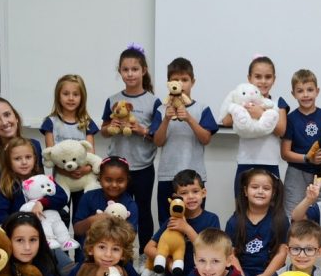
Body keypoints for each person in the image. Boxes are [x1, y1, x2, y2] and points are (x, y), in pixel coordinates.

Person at [101, 44, 161, 257]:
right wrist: (111, 126)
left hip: (143, 167)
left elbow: (158, 136)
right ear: (120, 72)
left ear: (143, 70)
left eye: (134, 69)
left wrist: (141, 130)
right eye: (125, 69)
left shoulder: (153, 101)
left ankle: (145, 255)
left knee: (143, 211)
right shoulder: (112, 100)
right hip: (117, 168)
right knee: (116, 211)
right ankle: (118, 253)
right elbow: (103, 131)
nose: (130, 74)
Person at [144, 169, 220, 276]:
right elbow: (148, 248)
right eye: (184, 193)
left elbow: (209, 250)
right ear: (176, 198)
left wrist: (186, 228)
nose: (190, 197)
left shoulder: (211, 219)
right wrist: (168, 262)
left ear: (203, 193)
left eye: (195, 191)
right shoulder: (173, 220)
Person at [153, 57, 218, 226]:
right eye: (176, 80)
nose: (180, 84)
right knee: (167, 221)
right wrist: (166, 119)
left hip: (194, 177)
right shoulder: (161, 109)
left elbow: (206, 139)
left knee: (195, 219)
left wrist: (189, 118)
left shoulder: (202, 108)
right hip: (168, 175)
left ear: (192, 82)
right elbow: (158, 141)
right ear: (169, 83)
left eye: (184, 80)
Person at [221, 55, 289, 194]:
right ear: (249, 78)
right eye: (258, 77)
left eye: (268, 77)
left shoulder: (278, 102)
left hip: (270, 163)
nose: (263, 81)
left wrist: (261, 114)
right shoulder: (242, 100)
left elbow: (281, 130)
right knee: (242, 203)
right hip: (245, 162)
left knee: (271, 204)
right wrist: (240, 106)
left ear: (274, 79)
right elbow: (226, 122)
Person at [40, 74, 99, 223]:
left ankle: (80, 240)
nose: (71, 98)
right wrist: (65, 171)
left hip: (83, 180)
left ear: (82, 97)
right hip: (61, 180)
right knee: (61, 217)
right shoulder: (51, 122)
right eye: (66, 94)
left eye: (76, 94)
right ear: (58, 96)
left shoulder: (87, 123)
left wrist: (85, 170)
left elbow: (91, 153)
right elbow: (51, 155)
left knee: (81, 217)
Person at [225, 168, 289, 276]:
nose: (260, 191)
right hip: (241, 272)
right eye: (254, 187)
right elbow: (231, 254)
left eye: (266, 188)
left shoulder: (280, 220)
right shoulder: (234, 221)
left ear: (273, 193)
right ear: (245, 191)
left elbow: (282, 253)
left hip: (270, 272)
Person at [280, 69, 321, 217]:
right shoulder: (290, 119)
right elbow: (285, 153)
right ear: (293, 94)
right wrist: (308, 158)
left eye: (310, 90)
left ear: (317, 91)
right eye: (300, 91)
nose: (305, 95)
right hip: (297, 174)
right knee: (293, 214)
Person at [73, 156, 139, 251]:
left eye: (120, 181)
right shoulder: (88, 197)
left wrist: (116, 224)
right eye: (108, 180)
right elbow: (77, 230)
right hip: (87, 255)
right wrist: (92, 220)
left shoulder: (130, 205)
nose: (114, 185)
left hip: (118, 257)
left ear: (127, 180)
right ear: (100, 178)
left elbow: (130, 237)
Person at [0, 137, 68, 225]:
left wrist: (41, 203)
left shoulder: (43, 179)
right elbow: (1, 214)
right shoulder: (6, 185)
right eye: (17, 159)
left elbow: (62, 197)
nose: (24, 162)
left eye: (28, 157)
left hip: (48, 226)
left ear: (34, 158)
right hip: (20, 228)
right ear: (9, 162)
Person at [0, 98, 43, 174]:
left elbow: (41, 178)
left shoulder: (34, 145)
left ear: (16, 117)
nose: (4, 122)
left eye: (7, 115)